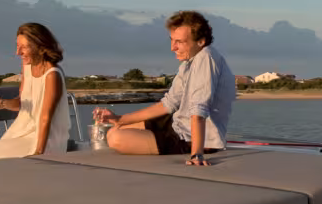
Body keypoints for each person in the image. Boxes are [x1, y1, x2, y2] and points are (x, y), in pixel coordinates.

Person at [100, 11, 235, 166]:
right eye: (172, 40)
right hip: (177, 123)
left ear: (201, 41)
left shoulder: (206, 59)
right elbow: (168, 104)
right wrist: (120, 119)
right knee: (115, 128)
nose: (173, 47)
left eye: (180, 42)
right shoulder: (189, 62)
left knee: (115, 138)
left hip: (190, 137)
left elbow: (199, 110)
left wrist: (197, 154)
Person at [0, 23, 70, 161]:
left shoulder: (52, 75)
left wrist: (39, 152)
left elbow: (45, 117)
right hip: (22, 132)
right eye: (17, 46)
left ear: (40, 47)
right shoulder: (27, 66)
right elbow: (21, 103)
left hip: (45, 139)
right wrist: (2, 104)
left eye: (23, 47)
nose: (18, 52)